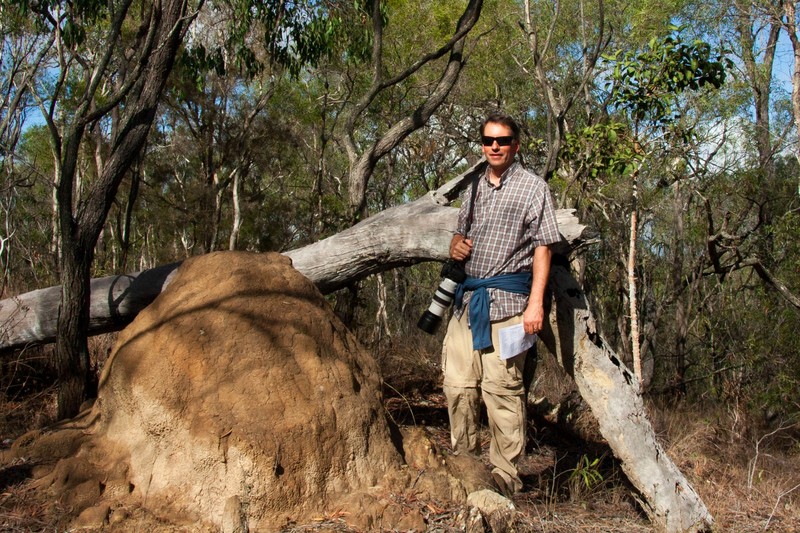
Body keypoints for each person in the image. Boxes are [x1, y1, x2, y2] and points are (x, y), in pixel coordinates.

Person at [443, 112, 560, 497]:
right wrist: (455, 245)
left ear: (516, 145)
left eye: (503, 140)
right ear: (482, 144)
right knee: (459, 386)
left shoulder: (533, 188)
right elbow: (460, 236)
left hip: (510, 305)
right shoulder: (474, 187)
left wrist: (536, 304)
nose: (495, 146)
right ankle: (465, 467)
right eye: (489, 140)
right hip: (467, 302)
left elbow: (543, 246)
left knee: (503, 393)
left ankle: (504, 479)